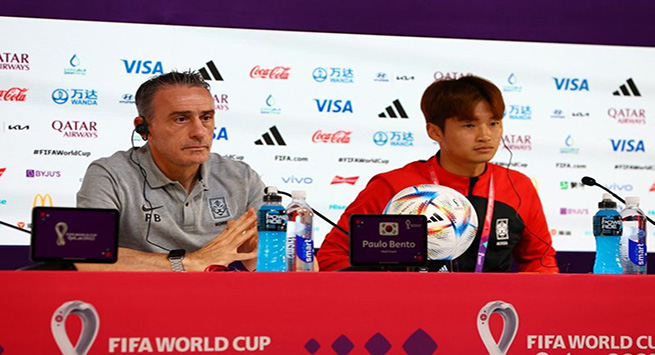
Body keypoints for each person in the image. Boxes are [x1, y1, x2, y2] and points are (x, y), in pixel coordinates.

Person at [318, 76, 558, 273]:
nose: (485, 135)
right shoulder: (394, 186)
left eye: (494, 123)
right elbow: (334, 256)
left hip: (491, 311)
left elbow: (541, 261)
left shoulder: (518, 186)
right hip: (410, 317)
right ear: (434, 132)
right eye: (469, 125)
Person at [76, 71, 265, 271]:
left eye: (206, 117)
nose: (199, 132)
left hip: (220, 297)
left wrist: (258, 255)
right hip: (141, 297)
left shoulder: (241, 177)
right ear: (143, 128)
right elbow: (89, 256)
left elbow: (272, 258)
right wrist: (189, 262)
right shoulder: (110, 174)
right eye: (181, 119)